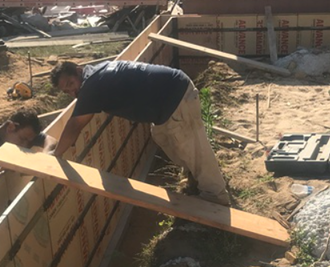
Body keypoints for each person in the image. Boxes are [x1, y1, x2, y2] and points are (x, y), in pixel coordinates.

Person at [50, 60, 230, 206]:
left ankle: (215, 197)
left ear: (78, 71)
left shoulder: (90, 86)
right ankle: (194, 178)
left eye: (71, 84)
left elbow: (75, 125)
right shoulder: (96, 72)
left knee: (191, 146)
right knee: (162, 135)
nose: (72, 92)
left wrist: (56, 154)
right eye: (67, 91)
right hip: (172, 96)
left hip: (176, 97)